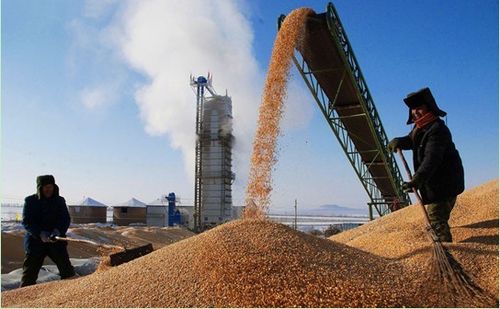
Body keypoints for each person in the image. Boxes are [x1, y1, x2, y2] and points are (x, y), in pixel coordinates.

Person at [387, 87, 464, 242]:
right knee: (438, 214)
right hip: (435, 183)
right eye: (413, 109)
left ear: (428, 108)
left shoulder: (437, 130)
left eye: (419, 108)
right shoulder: (420, 127)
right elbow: (412, 140)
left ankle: (446, 249)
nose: (415, 112)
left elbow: (432, 158)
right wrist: (400, 141)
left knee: (436, 217)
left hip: (445, 184)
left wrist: (417, 179)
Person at [20, 175, 75, 287]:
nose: (48, 189)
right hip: (35, 242)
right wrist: (40, 233)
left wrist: (57, 230)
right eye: (45, 187)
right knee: (28, 277)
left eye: (50, 187)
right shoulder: (30, 201)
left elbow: (65, 218)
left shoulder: (59, 201)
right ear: (40, 188)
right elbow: (27, 222)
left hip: (55, 242)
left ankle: (68, 295)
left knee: (68, 272)